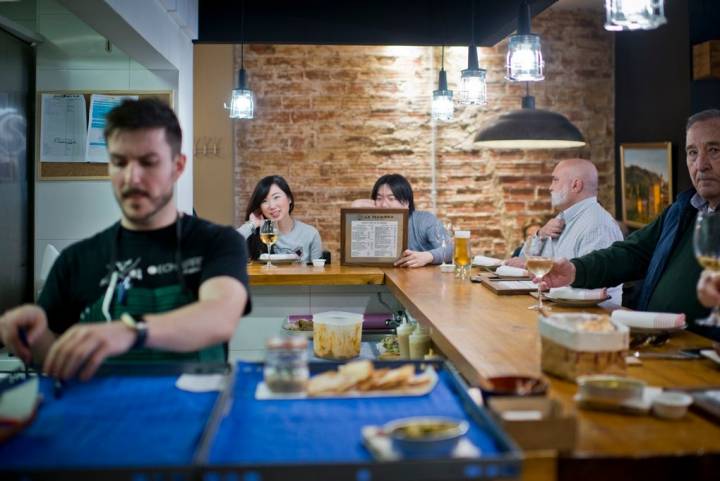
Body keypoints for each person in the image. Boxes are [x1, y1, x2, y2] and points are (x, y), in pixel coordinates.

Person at [0, 98, 251, 380]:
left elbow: (219, 317)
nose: (132, 178)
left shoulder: (217, 242)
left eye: (148, 162)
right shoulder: (77, 261)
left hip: (197, 416)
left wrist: (131, 331)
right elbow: (53, 357)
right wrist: (30, 336)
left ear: (178, 167)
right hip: (105, 417)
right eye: (119, 162)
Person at [539, 109, 720, 325]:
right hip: (663, 340)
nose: (701, 164)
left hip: (706, 349)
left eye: (714, 150)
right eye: (692, 152)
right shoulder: (681, 210)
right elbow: (631, 252)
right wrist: (575, 270)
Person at [506, 158, 624, 303]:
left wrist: (527, 265)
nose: (550, 187)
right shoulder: (564, 217)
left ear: (575, 185)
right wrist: (540, 234)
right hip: (555, 306)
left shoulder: (598, 226)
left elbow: (591, 290)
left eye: (555, 180)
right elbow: (526, 259)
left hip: (586, 318)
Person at [367, 173, 451, 268]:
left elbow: (450, 249)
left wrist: (429, 256)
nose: (384, 205)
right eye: (379, 198)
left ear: (406, 203)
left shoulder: (425, 220)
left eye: (391, 198)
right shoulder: (372, 224)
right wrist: (357, 206)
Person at [237, 175, 322, 262]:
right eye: (264, 201)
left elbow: (319, 272)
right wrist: (252, 224)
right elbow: (226, 245)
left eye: (276, 197)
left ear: (289, 199)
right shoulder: (260, 233)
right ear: (260, 207)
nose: (272, 206)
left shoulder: (310, 234)